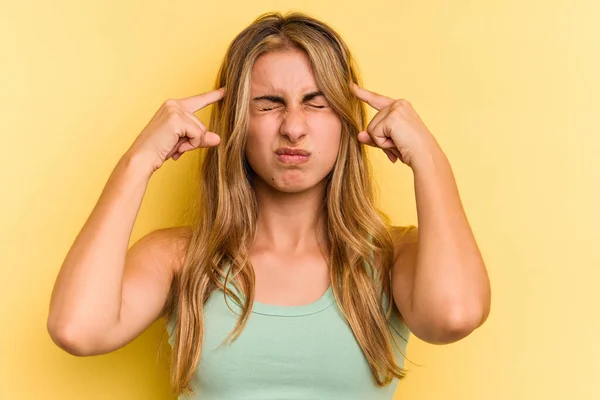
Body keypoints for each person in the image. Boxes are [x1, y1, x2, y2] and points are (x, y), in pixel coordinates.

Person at [47, 11, 491, 400]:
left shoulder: (394, 257)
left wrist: (429, 159)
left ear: (345, 121)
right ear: (238, 122)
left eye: (316, 103)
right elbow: (77, 329)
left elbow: (454, 316)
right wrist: (138, 161)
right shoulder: (181, 257)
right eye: (269, 103)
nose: (294, 128)